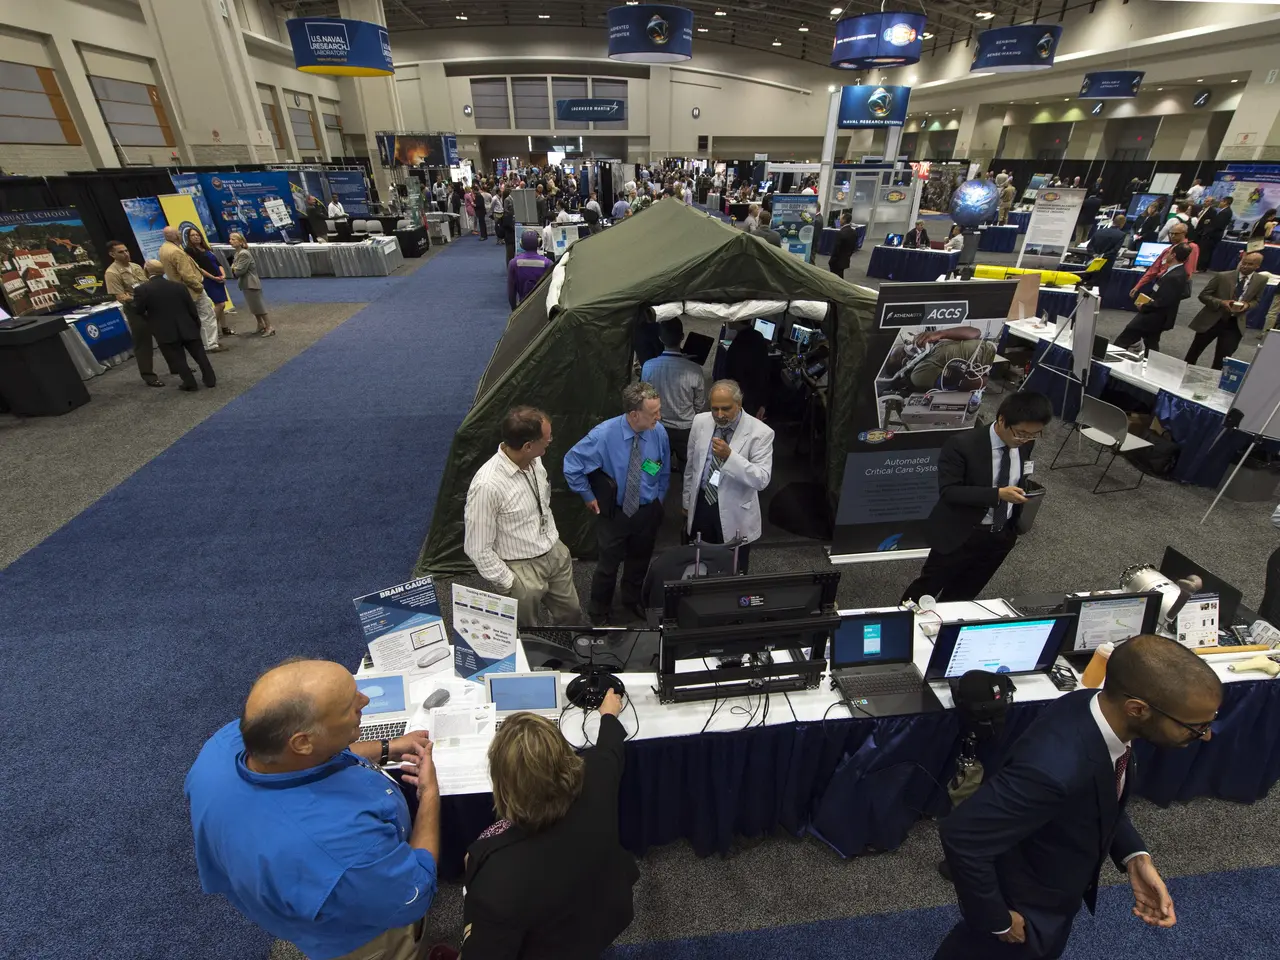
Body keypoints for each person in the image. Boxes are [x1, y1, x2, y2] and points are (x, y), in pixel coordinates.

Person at [934, 634, 1221, 960]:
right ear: (1137, 709)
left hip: (1053, 889)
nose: (1206, 736)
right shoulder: (1053, 771)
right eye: (1196, 727)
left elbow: (1098, 790)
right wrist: (996, 920)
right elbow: (962, 836)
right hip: (1026, 908)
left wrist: (1134, 857)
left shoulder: (1095, 707)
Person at [185, 659, 442, 960]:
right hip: (363, 936)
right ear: (303, 741)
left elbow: (318, 751)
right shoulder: (347, 850)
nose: (365, 700)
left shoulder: (228, 744)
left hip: (294, 893)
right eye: (350, 706)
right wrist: (429, 795)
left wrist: (388, 747)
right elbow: (415, 891)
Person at [461, 689, 637, 959]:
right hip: (605, 914)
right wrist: (608, 715)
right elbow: (610, 749)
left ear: (502, 784)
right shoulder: (597, 778)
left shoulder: (494, 881)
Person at [901, 391, 1051, 604]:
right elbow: (949, 491)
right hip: (961, 534)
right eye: (1021, 433)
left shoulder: (1025, 443)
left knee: (963, 596)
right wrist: (997, 494)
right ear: (1002, 419)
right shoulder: (962, 445)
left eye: (1034, 434)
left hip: (1000, 536)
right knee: (925, 591)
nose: (1025, 439)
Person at [464, 406, 582, 627]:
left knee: (571, 615)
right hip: (520, 569)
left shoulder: (535, 460)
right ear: (528, 446)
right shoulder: (487, 486)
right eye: (546, 439)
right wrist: (511, 583)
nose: (550, 442)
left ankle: (566, 654)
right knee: (527, 633)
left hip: (553, 554)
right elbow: (477, 548)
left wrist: (557, 549)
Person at [563, 382, 670, 624]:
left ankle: (632, 602)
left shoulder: (658, 432)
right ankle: (600, 611)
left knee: (640, 561)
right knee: (607, 566)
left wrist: (658, 501)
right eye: (653, 413)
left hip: (647, 511)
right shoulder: (603, 436)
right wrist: (588, 496)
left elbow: (661, 469)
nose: (659, 417)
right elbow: (572, 465)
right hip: (617, 513)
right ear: (634, 414)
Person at [683, 380, 773, 573]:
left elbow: (762, 479)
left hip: (736, 511)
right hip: (702, 505)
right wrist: (686, 501)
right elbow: (691, 466)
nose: (719, 415)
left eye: (726, 409)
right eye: (715, 408)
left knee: (733, 570)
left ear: (739, 405)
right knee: (699, 564)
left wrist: (730, 457)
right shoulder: (700, 421)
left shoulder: (761, 433)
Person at [130, 260, 216, 392]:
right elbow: (191, 308)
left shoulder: (142, 290)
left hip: (164, 330)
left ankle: (189, 383)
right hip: (187, 326)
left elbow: (138, 310)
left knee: (178, 358)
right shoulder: (179, 286)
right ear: (163, 271)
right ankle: (210, 380)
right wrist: (195, 324)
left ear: (146, 271)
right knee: (200, 354)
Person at [641, 318, 706, 472]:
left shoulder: (648, 366)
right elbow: (700, 403)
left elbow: (646, 397)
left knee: (652, 465)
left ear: (660, 338)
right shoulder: (695, 370)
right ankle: (687, 493)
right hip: (686, 429)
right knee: (688, 468)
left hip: (657, 427)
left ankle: (650, 491)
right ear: (682, 337)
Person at [1185, 250, 1266, 369]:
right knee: (1194, 351)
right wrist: (1221, 302)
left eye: (1250, 264)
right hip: (1213, 319)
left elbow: (1257, 301)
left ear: (1257, 266)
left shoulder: (1261, 280)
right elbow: (1203, 295)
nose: (1245, 266)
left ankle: (1211, 382)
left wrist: (1247, 305)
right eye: (1244, 262)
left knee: (1222, 358)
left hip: (1234, 324)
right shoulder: (1223, 276)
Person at [103, 240, 164, 387]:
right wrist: (139, 297)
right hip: (136, 311)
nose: (125, 254)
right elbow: (120, 297)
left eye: (126, 250)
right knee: (143, 344)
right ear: (112, 254)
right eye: (121, 252)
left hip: (152, 307)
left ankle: (177, 366)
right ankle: (149, 376)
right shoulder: (112, 273)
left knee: (166, 338)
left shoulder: (136, 267)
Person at [1114, 243, 1192, 355]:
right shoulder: (1176, 272)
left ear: (1173, 255)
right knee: (1151, 343)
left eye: (1169, 252)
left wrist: (1144, 306)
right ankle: (1150, 365)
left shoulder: (1174, 276)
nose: (1166, 254)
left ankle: (1111, 362)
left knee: (1126, 337)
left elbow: (1163, 301)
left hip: (1153, 316)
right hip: (1157, 316)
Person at [158, 225, 219, 353]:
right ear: (174, 236)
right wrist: (199, 286)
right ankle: (211, 344)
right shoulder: (176, 251)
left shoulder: (164, 248)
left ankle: (204, 343)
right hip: (191, 289)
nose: (181, 235)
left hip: (180, 289)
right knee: (206, 314)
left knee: (197, 316)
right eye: (178, 233)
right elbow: (187, 275)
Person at [184, 227, 233, 338]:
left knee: (221, 304)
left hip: (219, 279)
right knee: (219, 304)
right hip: (208, 280)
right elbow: (198, 268)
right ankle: (210, 329)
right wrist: (213, 277)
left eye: (198, 235)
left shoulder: (206, 248)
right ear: (189, 238)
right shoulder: (189, 251)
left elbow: (218, 263)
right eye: (193, 235)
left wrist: (223, 275)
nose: (196, 237)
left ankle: (224, 328)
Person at [1130, 221, 1198, 297]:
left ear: (1184, 233)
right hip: (1160, 283)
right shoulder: (1167, 250)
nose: (1172, 236)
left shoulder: (1191, 247)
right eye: (1171, 233)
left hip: (1174, 285)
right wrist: (1138, 286)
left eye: (1176, 234)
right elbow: (1153, 269)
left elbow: (1188, 271)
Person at [228, 232, 274, 337]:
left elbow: (239, 271)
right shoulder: (237, 254)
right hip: (246, 283)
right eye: (230, 239)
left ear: (241, 241)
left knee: (260, 306)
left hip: (251, 283)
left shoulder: (244, 253)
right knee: (254, 307)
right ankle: (260, 324)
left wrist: (233, 268)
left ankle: (269, 326)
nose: (231, 241)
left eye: (234, 239)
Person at [725, 318, 771, 419]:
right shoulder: (758, 336)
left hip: (742, 399)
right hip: (751, 398)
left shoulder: (741, 343)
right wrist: (763, 403)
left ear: (738, 320)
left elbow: (733, 373)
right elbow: (764, 372)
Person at [507, 230, 553, 310]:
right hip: (542, 307)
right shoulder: (548, 263)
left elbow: (511, 292)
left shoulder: (513, 263)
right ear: (539, 243)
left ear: (521, 244)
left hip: (522, 305)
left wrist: (514, 309)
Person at [1194, 196, 1233, 271]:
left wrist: (1208, 230)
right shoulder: (1223, 211)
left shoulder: (1225, 212)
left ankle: (1201, 268)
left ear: (1225, 202)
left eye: (1221, 201)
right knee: (1205, 251)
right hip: (1211, 234)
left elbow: (1218, 225)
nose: (1220, 203)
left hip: (1213, 235)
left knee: (1206, 252)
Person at [829, 211, 860, 276]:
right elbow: (854, 247)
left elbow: (836, 249)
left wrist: (831, 261)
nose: (839, 220)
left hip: (836, 262)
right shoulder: (853, 232)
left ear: (844, 220)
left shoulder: (840, 233)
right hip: (845, 260)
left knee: (835, 279)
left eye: (840, 219)